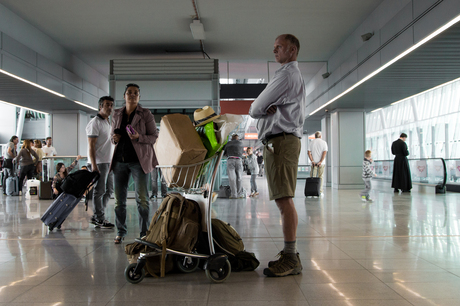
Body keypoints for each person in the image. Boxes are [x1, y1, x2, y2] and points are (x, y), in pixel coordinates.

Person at [249, 34, 305, 277]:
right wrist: (263, 109)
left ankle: (291, 257)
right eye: (273, 48)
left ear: (292, 50)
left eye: (279, 48)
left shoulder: (286, 75)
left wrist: (261, 111)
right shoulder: (289, 74)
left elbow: (255, 108)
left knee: (284, 199)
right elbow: (261, 108)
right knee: (284, 198)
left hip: (281, 140)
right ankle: (289, 254)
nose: (275, 52)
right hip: (279, 141)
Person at [111, 83, 158, 244]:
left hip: (139, 161)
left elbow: (154, 136)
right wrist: (114, 138)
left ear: (139, 96)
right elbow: (112, 134)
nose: (132, 95)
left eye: (135, 93)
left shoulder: (145, 114)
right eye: (129, 92)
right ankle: (120, 231)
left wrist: (139, 137)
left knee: (142, 200)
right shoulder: (117, 114)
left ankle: (144, 233)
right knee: (119, 201)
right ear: (124, 95)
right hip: (119, 161)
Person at [86, 96, 115, 229]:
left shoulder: (108, 122)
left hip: (108, 161)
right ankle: (99, 217)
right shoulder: (95, 123)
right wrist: (94, 165)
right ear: (100, 106)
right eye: (107, 105)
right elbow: (91, 146)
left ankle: (98, 215)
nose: (110, 107)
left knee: (109, 190)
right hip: (99, 162)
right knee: (100, 190)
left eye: (111, 105)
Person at [224, 134, 245, 199]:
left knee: (232, 178)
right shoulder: (241, 144)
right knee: (239, 177)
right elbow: (242, 152)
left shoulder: (228, 143)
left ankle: (233, 195)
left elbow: (224, 153)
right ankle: (239, 194)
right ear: (237, 138)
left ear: (231, 138)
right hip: (238, 160)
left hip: (230, 160)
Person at [307, 131, 328, 196]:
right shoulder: (324, 143)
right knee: (320, 177)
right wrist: (320, 161)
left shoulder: (311, 142)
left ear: (315, 136)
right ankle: (320, 191)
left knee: (313, 176)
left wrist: (312, 161)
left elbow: (309, 152)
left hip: (313, 163)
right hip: (321, 163)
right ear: (320, 136)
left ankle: (312, 190)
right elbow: (324, 153)